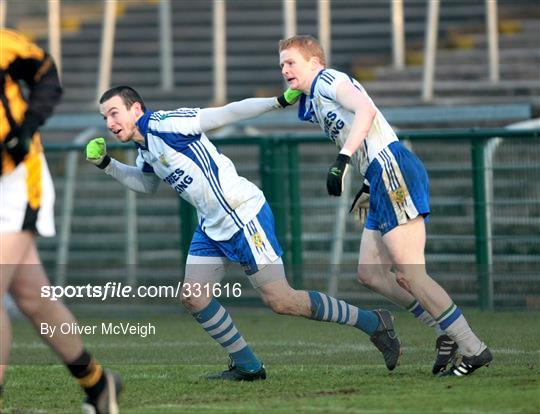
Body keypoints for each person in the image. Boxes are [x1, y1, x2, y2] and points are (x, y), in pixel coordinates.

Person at [87, 85, 402, 380]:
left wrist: (276, 102)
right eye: (104, 117)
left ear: (136, 109)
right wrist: (106, 164)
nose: (109, 122)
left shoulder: (167, 124)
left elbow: (227, 113)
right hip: (211, 226)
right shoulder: (145, 150)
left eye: (114, 113)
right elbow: (146, 184)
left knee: (281, 300)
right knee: (194, 298)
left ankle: (375, 322)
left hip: (243, 215)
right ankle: (248, 367)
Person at [278, 34, 492, 376]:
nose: (285, 69)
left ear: (314, 62)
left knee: (411, 274)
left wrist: (342, 159)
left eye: (291, 62)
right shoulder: (313, 97)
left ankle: (473, 348)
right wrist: (364, 184)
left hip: (390, 167)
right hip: (376, 177)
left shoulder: (329, 79)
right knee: (371, 274)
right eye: (281, 65)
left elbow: (367, 109)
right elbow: (287, 99)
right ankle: (444, 332)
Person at [0, 28, 121, 413]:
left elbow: (46, 72)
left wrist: (28, 127)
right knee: (34, 299)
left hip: (17, 182)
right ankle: (100, 385)